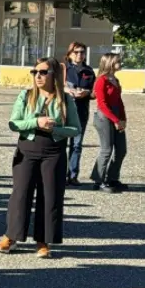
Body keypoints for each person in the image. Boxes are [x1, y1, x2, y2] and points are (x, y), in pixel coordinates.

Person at [0, 57, 81, 257]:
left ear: (54, 75)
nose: (38, 76)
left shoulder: (66, 99)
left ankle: (43, 241)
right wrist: (36, 122)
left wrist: (57, 129)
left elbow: (75, 128)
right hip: (27, 149)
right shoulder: (26, 96)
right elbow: (14, 123)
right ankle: (11, 236)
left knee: (50, 196)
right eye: (35, 72)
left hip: (54, 151)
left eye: (43, 72)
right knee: (21, 194)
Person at [91, 53, 128, 193]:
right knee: (106, 149)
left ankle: (112, 178)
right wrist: (115, 120)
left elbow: (119, 101)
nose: (121, 63)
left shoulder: (115, 80)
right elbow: (102, 104)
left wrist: (123, 119)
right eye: (118, 61)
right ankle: (98, 180)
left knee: (121, 150)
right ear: (110, 63)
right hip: (104, 117)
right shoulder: (102, 80)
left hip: (116, 116)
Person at [63, 42, 95, 186]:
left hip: (81, 112)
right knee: (61, 144)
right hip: (63, 111)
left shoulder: (89, 71)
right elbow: (54, 86)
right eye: (76, 52)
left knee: (77, 145)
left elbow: (95, 92)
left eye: (82, 52)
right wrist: (66, 90)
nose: (79, 55)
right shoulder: (62, 69)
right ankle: (60, 174)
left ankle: (73, 175)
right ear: (69, 53)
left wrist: (86, 93)